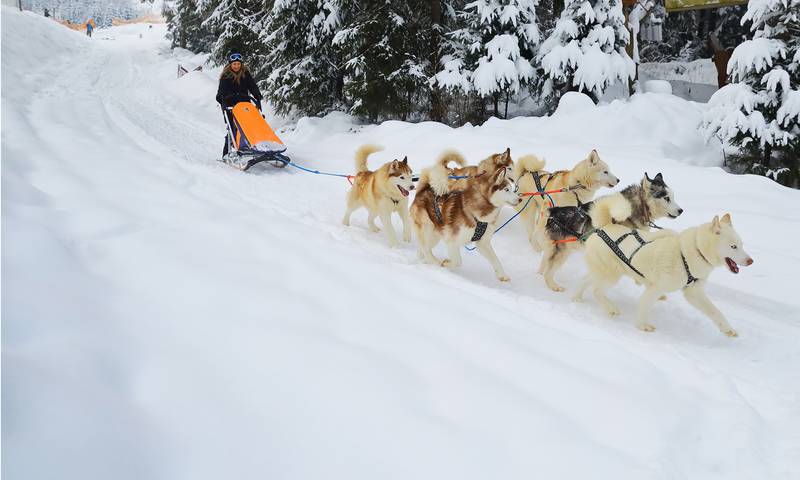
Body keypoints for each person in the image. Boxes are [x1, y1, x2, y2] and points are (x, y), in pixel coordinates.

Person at [216, 52, 263, 157]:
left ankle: (251, 146)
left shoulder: (245, 74)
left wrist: (258, 96)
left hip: (245, 105)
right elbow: (220, 93)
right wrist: (222, 99)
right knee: (233, 128)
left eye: (238, 64)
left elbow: (253, 86)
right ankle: (226, 153)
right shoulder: (225, 76)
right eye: (234, 64)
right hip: (230, 106)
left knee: (249, 126)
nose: (236, 66)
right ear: (230, 65)